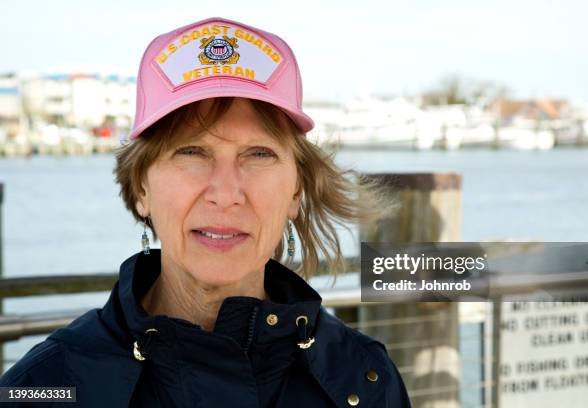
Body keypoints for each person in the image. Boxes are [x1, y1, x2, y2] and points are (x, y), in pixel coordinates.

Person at [0, 17, 411, 407]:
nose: (226, 193)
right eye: (192, 152)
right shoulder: (42, 387)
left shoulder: (364, 379)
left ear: (297, 189)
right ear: (141, 186)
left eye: (258, 154)